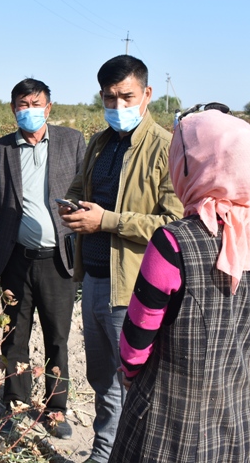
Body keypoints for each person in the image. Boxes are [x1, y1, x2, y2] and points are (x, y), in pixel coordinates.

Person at [109, 106, 250, 462]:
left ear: (188, 164)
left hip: (167, 416)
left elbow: (139, 333)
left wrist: (129, 373)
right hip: (235, 414)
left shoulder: (172, 242)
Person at [60, 55, 182, 463]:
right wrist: (73, 208)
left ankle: (123, 454)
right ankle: (106, 451)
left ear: (147, 94)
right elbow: (80, 187)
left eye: (127, 97)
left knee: (132, 381)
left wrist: (106, 221)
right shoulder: (99, 142)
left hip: (132, 286)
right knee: (102, 380)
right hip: (94, 278)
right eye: (110, 99)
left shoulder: (167, 148)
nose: (118, 107)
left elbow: (173, 225)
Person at [0, 78, 85, 439]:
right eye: (22, 105)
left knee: (57, 337)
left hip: (59, 260)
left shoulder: (72, 141)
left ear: (49, 107)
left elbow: (87, 194)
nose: (29, 110)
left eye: (36, 103)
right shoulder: (0, 150)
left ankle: (56, 409)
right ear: (12, 109)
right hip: (15, 260)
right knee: (14, 337)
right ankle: (15, 404)